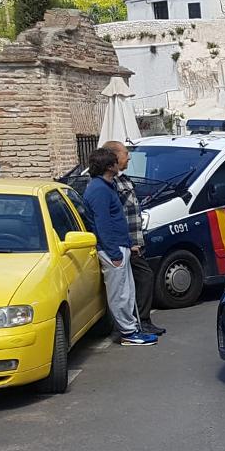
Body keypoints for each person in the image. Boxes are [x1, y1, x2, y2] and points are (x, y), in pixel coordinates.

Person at [83, 149, 158, 347]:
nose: (120, 165)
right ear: (110, 166)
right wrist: (114, 252)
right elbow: (103, 223)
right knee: (120, 293)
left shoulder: (106, 186)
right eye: (116, 162)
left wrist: (128, 245)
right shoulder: (99, 189)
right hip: (113, 248)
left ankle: (131, 329)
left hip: (120, 245)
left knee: (127, 290)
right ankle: (128, 333)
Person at [104, 141, 165, 336]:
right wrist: (129, 244)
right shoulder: (109, 184)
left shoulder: (123, 179)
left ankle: (139, 320)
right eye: (125, 153)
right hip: (126, 244)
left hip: (133, 242)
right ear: (114, 157)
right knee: (143, 278)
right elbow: (114, 217)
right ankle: (141, 321)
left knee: (136, 282)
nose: (129, 157)